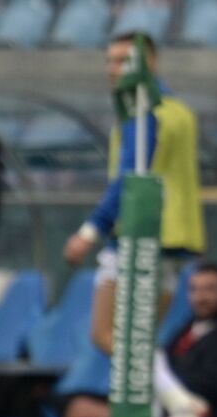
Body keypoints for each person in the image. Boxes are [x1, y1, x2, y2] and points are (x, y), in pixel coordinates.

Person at [62, 32, 205, 355]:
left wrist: (90, 230)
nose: (112, 69)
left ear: (148, 62)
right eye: (109, 61)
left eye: (122, 60)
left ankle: (176, 400)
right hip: (174, 238)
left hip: (138, 233)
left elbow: (130, 177)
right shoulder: (179, 111)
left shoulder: (142, 111)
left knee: (109, 337)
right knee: (137, 344)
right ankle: (168, 401)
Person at [64, 262, 217, 417]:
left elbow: (210, 383)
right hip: (160, 403)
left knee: (80, 413)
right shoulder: (190, 326)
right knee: (75, 401)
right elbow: (167, 360)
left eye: (209, 289)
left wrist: (159, 383)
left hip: (194, 415)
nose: (200, 297)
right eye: (194, 290)